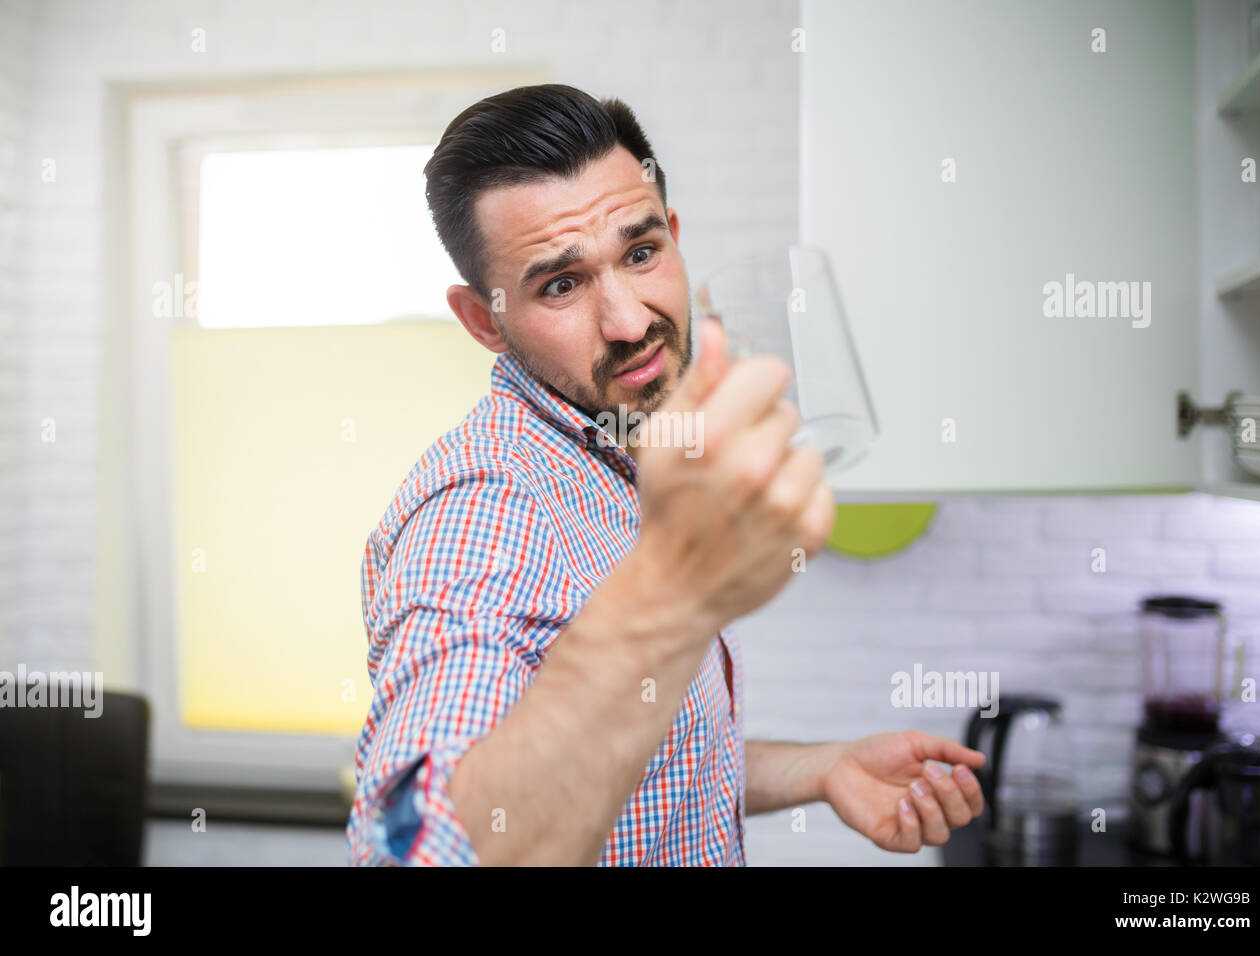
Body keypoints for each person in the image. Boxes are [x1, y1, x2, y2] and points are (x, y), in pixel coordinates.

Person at [346, 84, 985, 866]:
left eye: (641, 254)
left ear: (674, 239)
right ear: (485, 319)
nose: (630, 320)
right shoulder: (485, 504)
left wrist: (819, 769)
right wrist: (678, 589)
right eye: (561, 284)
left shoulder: (625, 455)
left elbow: (636, 767)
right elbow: (419, 850)